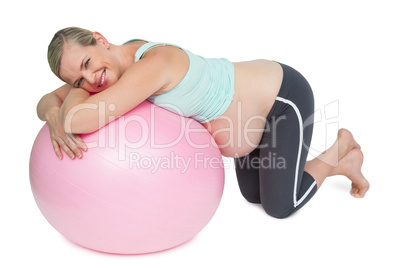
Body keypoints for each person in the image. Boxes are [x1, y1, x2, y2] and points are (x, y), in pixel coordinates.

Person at [37, 27, 369, 219]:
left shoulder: (153, 64)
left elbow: (80, 118)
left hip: (280, 101)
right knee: (254, 195)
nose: (89, 80)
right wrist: (56, 113)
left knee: (281, 205)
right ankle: (333, 160)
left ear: (100, 38)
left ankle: (341, 152)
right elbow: (46, 103)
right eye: (78, 80)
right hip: (250, 126)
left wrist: (69, 104)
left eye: (87, 63)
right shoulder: (113, 66)